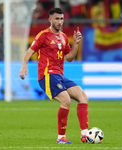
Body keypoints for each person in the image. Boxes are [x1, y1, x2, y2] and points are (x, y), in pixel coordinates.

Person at [19, 7, 89, 144]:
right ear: (50, 19)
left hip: (60, 75)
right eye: (57, 19)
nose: (59, 22)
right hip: (47, 75)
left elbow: (69, 57)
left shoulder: (63, 37)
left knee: (83, 97)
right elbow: (29, 51)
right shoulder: (42, 35)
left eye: (61, 19)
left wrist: (75, 43)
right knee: (66, 101)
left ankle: (85, 134)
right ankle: (61, 138)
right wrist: (23, 66)